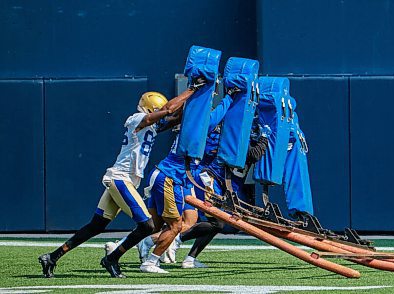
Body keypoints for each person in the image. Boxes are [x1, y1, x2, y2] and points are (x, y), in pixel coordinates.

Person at [38, 77, 206, 279]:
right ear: (152, 109)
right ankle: (112, 259)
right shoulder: (136, 118)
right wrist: (191, 88)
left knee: (96, 226)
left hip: (123, 180)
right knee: (147, 226)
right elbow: (169, 110)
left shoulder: (150, 127)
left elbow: (175, 116)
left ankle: (52, 257)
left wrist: (197, 98)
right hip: (120, 179)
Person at [138, 89, 237, 273]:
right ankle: (149, 259)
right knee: (173, 226)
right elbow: (213, 119)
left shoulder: (190, 122)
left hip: (178, 177)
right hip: (170, 176)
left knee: (172, 224)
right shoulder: (197, 126)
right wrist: (229, 97)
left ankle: (142, 248)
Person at [169, 121, 270, 268]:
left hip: (226, 184)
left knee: (217, 224)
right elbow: (253, 154)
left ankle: (190, 258)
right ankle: (176, 239)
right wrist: (265, 139)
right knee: (218, 222)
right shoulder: (240, 133)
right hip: (213, 179)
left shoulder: (247, 134)